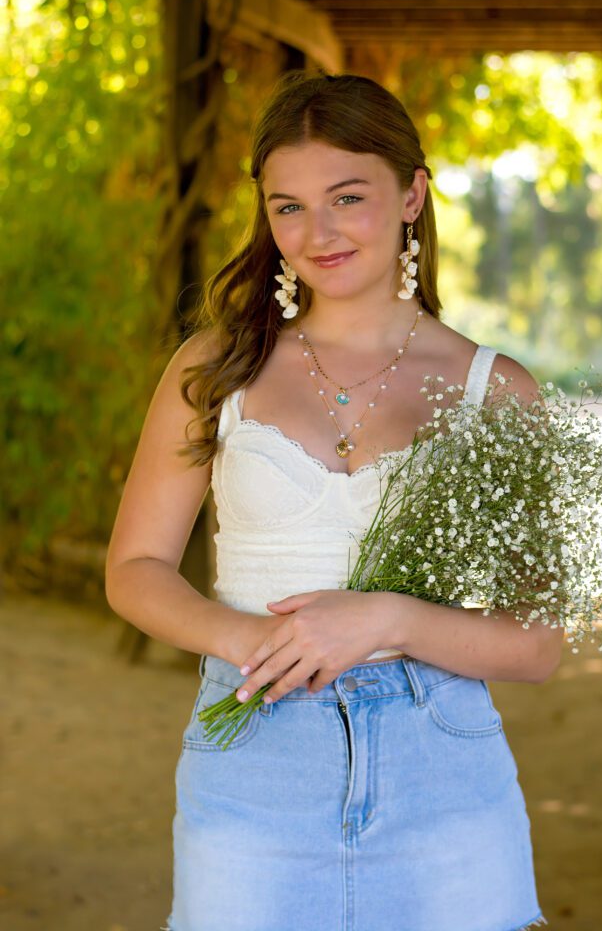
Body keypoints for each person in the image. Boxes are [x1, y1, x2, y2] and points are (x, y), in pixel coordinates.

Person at [105, 71, 560, 931]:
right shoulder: (215, 370)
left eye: (347, 197)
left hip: (443, 780)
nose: (317, 233)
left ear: (411, 195)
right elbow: (134, 568)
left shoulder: (495, 393)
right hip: (252, 767)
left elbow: (536, 645)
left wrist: (386, 619)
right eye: (289, 207)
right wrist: (248, 640)